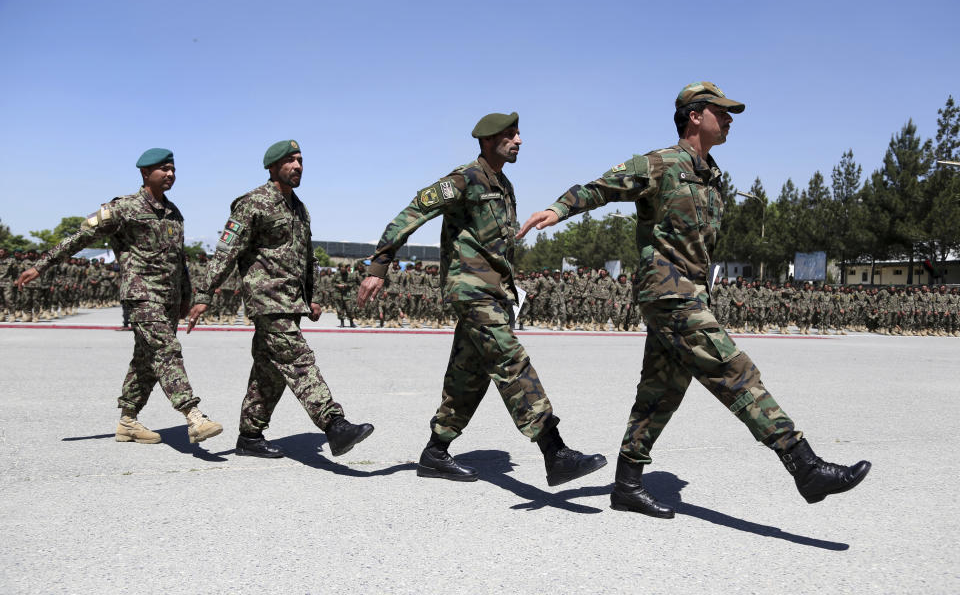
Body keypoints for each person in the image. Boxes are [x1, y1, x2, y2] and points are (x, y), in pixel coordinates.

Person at [518, 82, 871, 517]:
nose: (729, 119)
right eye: (720, 111)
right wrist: (559, 209)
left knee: (661, 390)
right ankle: (805, 465)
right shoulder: (661, 164)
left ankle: (627, 484)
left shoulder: (713, 177)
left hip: (690, 292)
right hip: (669, 294)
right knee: (735, 371)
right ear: (694, 116)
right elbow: (602, 187)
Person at [357, 112, 606, 486]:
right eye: (510, 135)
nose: (519, 140)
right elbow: (413, 211)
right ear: (488, 140)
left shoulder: (503, 186)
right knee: (510, 360)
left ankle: (435, 452)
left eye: (519, 133)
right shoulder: (464, 179)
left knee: (467, 376)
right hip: (470, 289)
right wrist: (379, 264)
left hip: (494, 291)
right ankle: (555, 452)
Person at [14, 148, 222, 445]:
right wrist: (41, 265)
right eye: (164, 169)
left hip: (169, 298)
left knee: (146, 361)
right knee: (166, 351)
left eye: (173, 169)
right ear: (145, 173)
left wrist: (186, 297)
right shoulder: (123, 208)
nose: (171, 174)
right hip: (142, 295)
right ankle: (193, 415)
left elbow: (179, 261)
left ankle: (127, 421)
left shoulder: (175, 213)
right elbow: (81, 237)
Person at [187, 140, 374, 459]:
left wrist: (312, 296)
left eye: (300, 160)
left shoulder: (300, 209)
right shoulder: (252, 203)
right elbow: (226, 250)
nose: (298, 166)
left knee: (268, 370)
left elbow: (306, 257)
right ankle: (334, 424)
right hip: (266, 299)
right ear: (272, 167)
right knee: (298, 360)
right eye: (290, 161)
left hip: (291, 300)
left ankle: (250, 435)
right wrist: (204, 293)